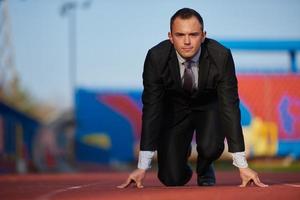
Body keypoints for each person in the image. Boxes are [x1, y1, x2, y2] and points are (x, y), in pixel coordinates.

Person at [118, 8, 268, 188]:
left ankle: (204, 168)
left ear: (203, 36)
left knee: (211, 146)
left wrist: (242, 165)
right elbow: (152, 109)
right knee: (171, 179)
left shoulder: (221, 56)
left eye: (193, 34)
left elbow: (230, 107)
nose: (187, 41)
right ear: (170, 37)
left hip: (208, 107)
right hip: (174, 111)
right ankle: (182, 154)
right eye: (180, 35)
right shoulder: (155, 58)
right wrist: (142, 166)